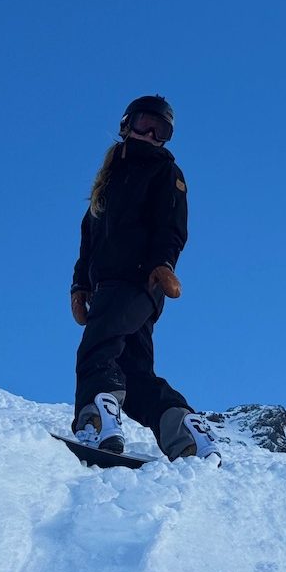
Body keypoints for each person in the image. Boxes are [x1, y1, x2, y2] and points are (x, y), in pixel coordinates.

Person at [69, 94, 221, 464]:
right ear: (126, 125)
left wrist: (163, 264)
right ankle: (184, 431)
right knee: (134, 375)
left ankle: (95, 417)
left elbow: (172, 227)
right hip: (110, 286)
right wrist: (79, 285)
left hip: (139, 281)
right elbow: (89, 238)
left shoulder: (166, 172)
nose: (152, 135)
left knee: (97, 349)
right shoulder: (108, 182)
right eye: (145, 125)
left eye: (162, 130)